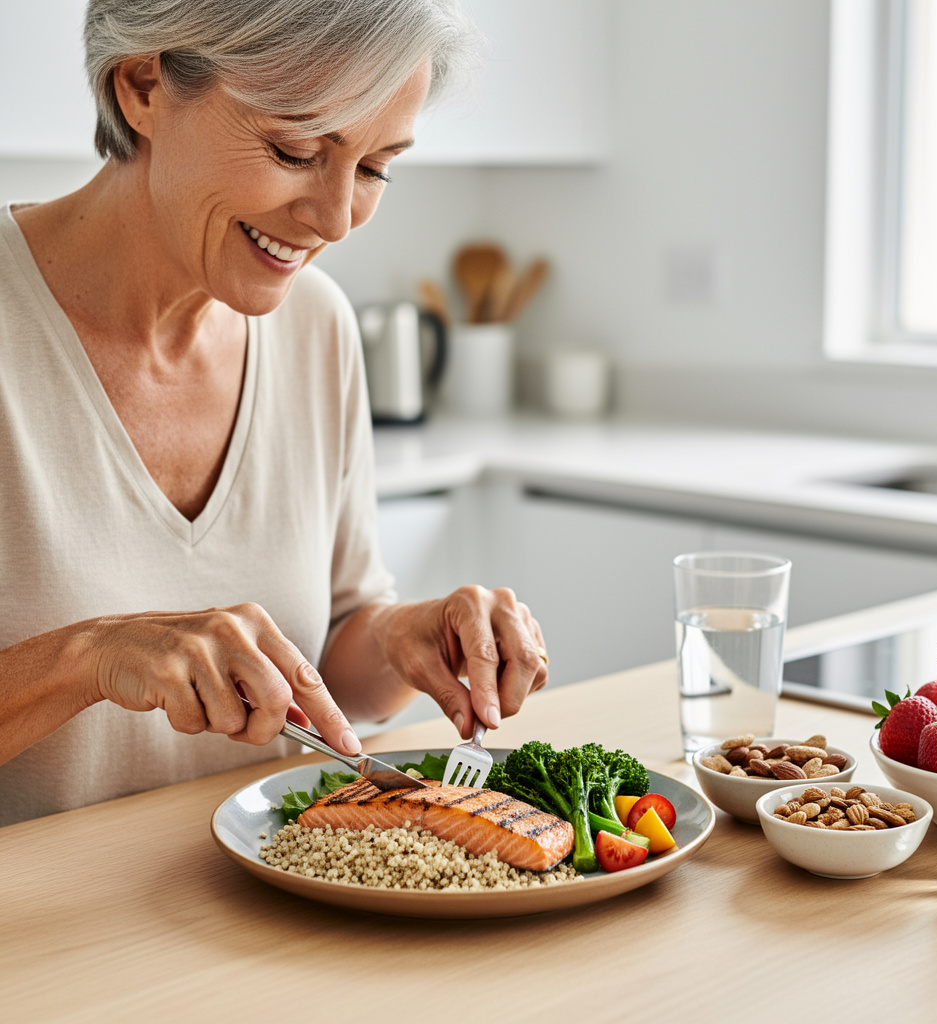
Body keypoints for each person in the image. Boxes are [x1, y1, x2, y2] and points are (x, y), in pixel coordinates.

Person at [0, 0, 548, 827]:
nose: (335, 220)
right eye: (296, 150)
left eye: (374, 169)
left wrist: (405, 637)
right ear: (144, 85)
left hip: (270, 917)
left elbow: (334, 662)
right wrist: (92, 656)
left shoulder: (318, 325)